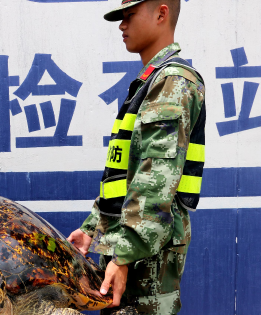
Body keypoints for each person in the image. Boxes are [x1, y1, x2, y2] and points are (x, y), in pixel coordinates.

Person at [67, 0, 206, 314]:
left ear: (161, 13)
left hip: (146, 259)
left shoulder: (173, 83)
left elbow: (155, 183)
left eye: (129, 16)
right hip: (129, 249)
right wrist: (93, 227)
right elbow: (124, 179)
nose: (122, 25)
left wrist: (123, 255)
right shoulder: (150, 84)